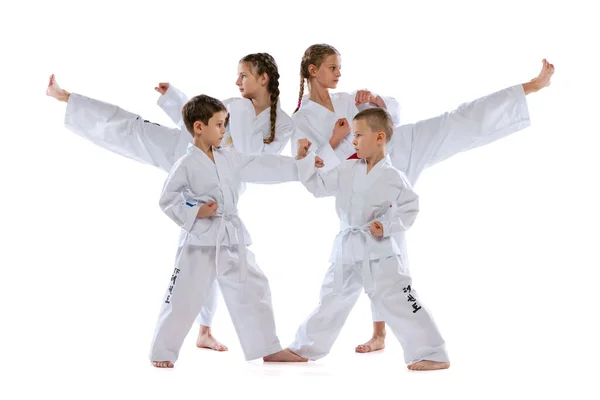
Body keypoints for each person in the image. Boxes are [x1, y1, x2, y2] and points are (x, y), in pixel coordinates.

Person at [291, 43, 555, 353]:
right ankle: (380, 335)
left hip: (397, 149)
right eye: (333, 68)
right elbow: (310, 168)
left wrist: (378, 100)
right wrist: (335, 140)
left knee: (455, 121)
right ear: (313, 71)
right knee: (381, 246)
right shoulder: (301, 118)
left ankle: (529, 88)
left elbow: (391, 117)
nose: (339, 73)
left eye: (339, 67)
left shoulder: (348, 99)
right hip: (359, 175)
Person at [45, 52, 294, 352]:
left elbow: (256, 162)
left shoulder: (283, 124)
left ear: (263, 78)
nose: (237, 81)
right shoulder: (234, 104)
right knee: (132, 128)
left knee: (209, 253)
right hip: (184, 150)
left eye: (243, 75)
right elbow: (201, 122)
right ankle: (68, 98)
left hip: (218, 181)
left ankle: (204, 331)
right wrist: (176, 100)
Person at [150, 94, 306, 368]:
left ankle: (268, 347)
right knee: (183, 296)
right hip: (199, 241)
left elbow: (261, 165)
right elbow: (168, 199)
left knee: (255, 287)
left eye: (226, 124)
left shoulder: (229, 157)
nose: (225, 131)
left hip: (231, 237)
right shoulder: (185, 164)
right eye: (220, 125)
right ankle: (162, 351)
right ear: (199, 127)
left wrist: (300, 166)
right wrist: (197, 210)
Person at [289, 108, 449, 371]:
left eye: (358, 135)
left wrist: (385, 227)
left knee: (401, 298)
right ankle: (304, 347)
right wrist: (303, 159)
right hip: (347, 248)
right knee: (332, 298)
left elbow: (411, 207)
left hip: (379, 249)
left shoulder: (393, 176)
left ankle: (434, 351)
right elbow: (317, 186)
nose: (353, 141)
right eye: (353, 135)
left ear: (379, 137)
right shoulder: (347, 169)